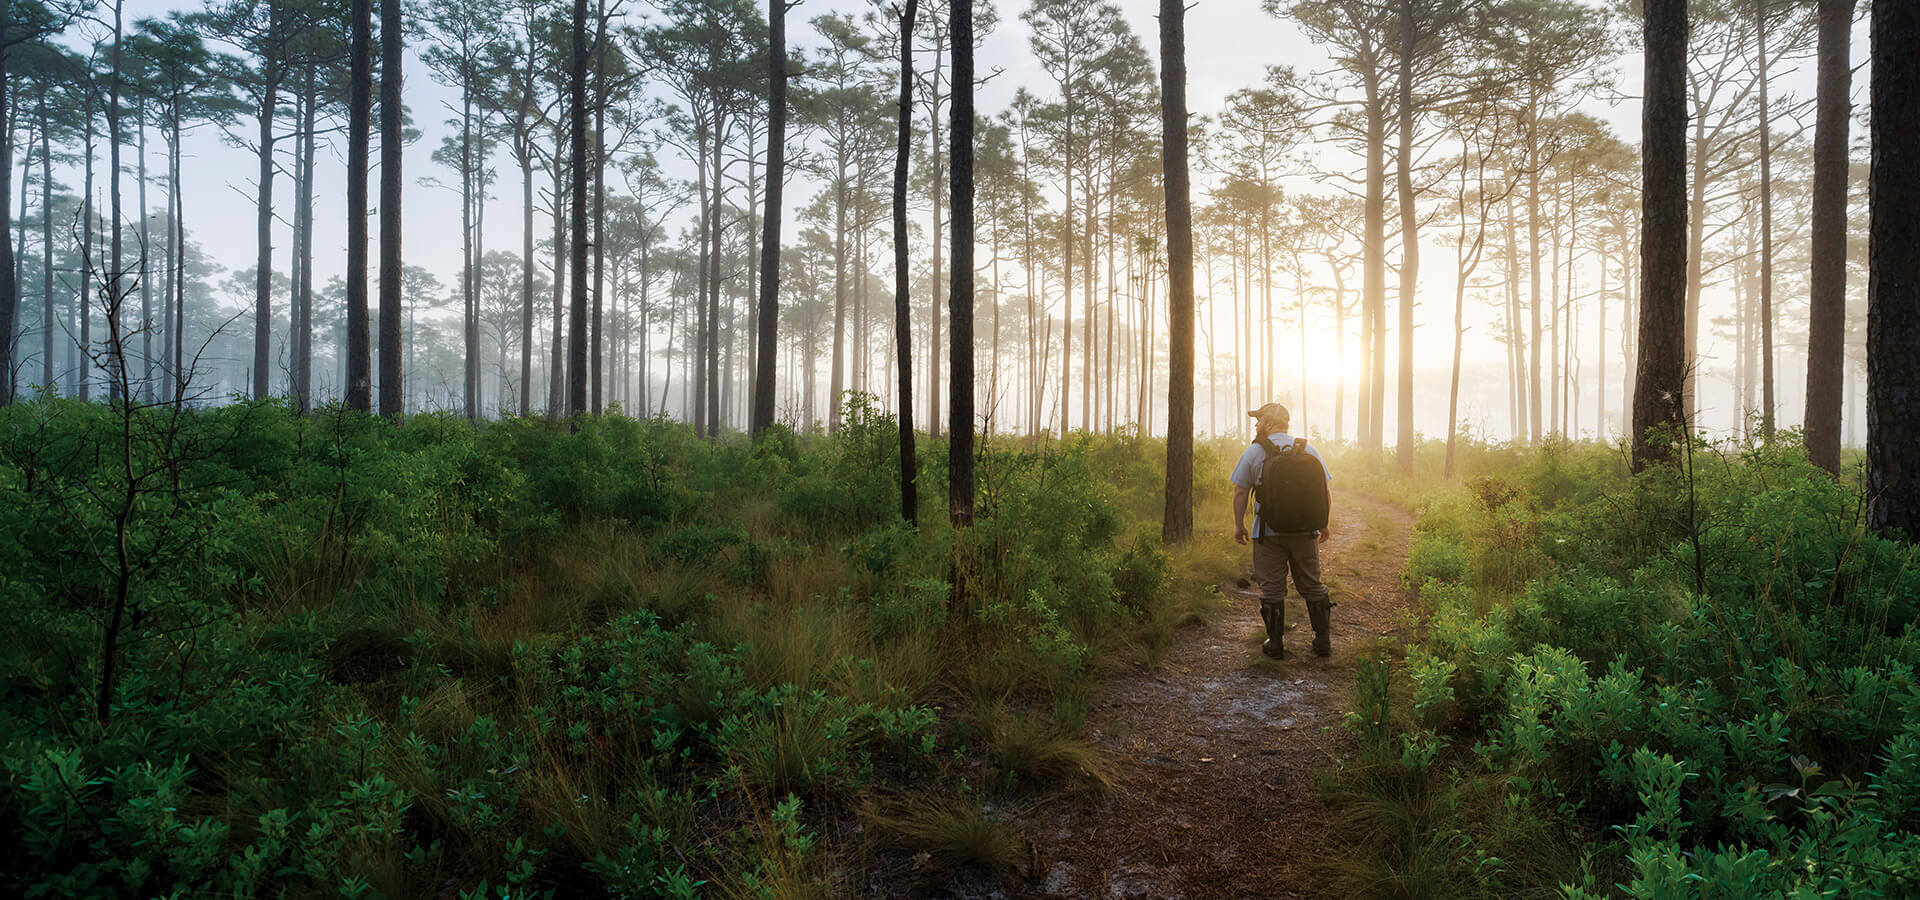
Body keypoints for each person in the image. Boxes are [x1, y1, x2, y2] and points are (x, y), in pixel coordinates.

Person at [1230, 402, 1334, 659]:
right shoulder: (1307, 449)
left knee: (1272, 589)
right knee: (1312, 585)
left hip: (1268, 533)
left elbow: (1240, 490)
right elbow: (1324, 490)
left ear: (1268, 423)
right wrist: (1323, 523)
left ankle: (1275, 644)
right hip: (1305, 532)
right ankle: (1322, 642)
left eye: (1258, 420)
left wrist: (1239, 525)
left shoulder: (1255, 452)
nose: (1256, 425)